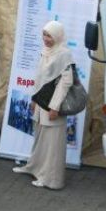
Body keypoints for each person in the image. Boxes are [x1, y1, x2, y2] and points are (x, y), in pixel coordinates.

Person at [12, 20, 74, 190]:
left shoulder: (64, 54)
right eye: (44, 35)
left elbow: (66, 82)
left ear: (58, 36)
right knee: (40, 139)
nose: (46, 39)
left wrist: (54, 107)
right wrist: (34, 99)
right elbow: (39, 77)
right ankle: (34, 168)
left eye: (50, 36)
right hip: (41, 102)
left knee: (52, 145)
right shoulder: (45, 51)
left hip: (52, 104)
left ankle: (50, 179)